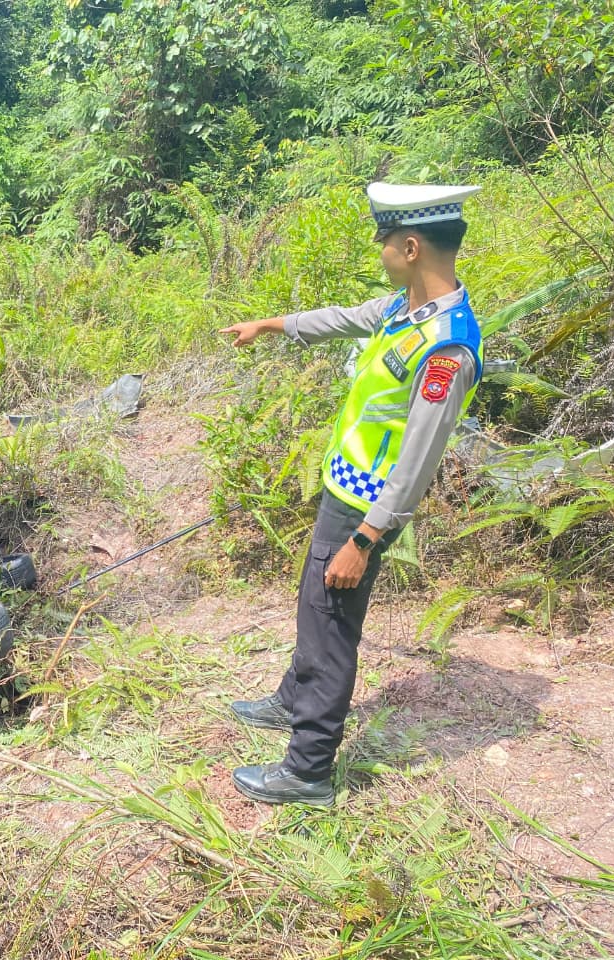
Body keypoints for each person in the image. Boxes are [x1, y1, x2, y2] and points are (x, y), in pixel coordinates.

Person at [218, 182, 483, 806]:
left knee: (332, 627)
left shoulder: (446, 347)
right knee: (315, 603)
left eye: (385, 240)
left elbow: (418, 461)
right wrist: (271, 324)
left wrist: (366, 539)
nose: (381, 249)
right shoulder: (404, 309)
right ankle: (292, 699)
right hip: (345, 489)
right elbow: (341, 319)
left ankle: (308, 768)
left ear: (410, 246)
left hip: (368, 511)